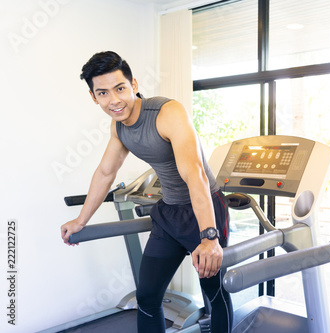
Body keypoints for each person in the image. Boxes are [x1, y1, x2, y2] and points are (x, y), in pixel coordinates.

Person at [60, 51, 233, 333]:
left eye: (120, 88)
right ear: (94, 97)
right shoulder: (119, 128)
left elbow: (195, 174)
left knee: (214, 293)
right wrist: (81, 221)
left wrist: (209, 236)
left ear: (134, 85)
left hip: (203, 210)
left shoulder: (168, 113)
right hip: (168, 214)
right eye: (103, 93)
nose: (114, 100)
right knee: (147, 296)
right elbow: (106, 172)